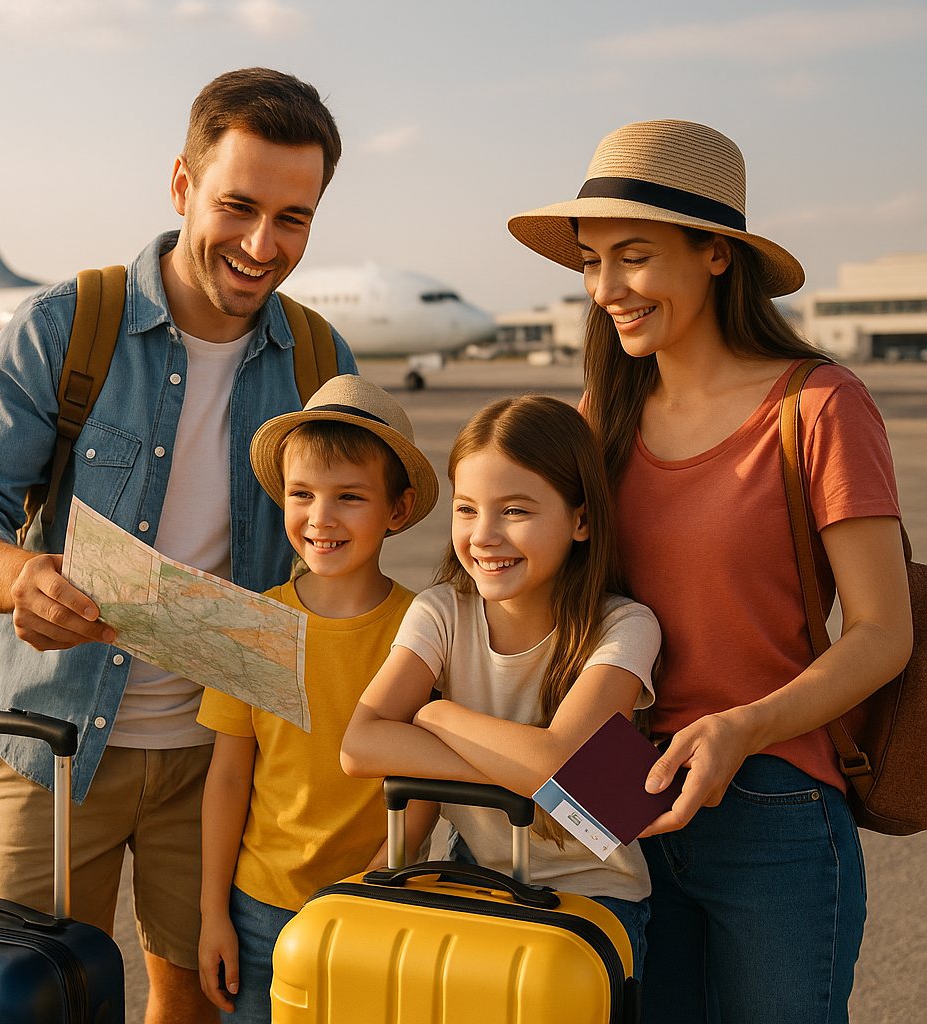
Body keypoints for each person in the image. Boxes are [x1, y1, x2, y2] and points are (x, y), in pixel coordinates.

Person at [0, 68, 358, 1023]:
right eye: (238, 206)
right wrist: (18, 577)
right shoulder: (65, 326)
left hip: (222, 759)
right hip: (51, 746)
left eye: (293, 219)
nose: (262, 245)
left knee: (193, 998)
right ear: (181, 185)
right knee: (34, 1001)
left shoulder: (322, 362)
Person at [506, 119, 914, 1023]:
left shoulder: (819, 404)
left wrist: (742, 726)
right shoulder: (603, 411)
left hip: (771, 795)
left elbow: (883, 632)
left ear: (717, 253)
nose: (605, 289)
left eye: (634, 257)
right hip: (617, 791)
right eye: (592, 262)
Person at [341, 394, 662, 970]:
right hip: (479, 881)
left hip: (593, 897)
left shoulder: (625, 627)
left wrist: (435, 716)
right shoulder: (441, 611)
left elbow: (558, 763)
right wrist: (521, 773)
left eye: (514, 510)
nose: (483, 535)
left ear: (582, 520)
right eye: (467, 509)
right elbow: (360, 745)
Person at [196, 374, 440, 1022]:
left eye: (349, 497)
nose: (321, 518)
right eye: (301, 494)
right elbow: (228, 776)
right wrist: (213, 911)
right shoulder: (253, 625)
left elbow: (423, 788)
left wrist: (374, 888)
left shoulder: (422, 630)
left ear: (397, 510)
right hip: (257, 909)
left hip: (374, 901)